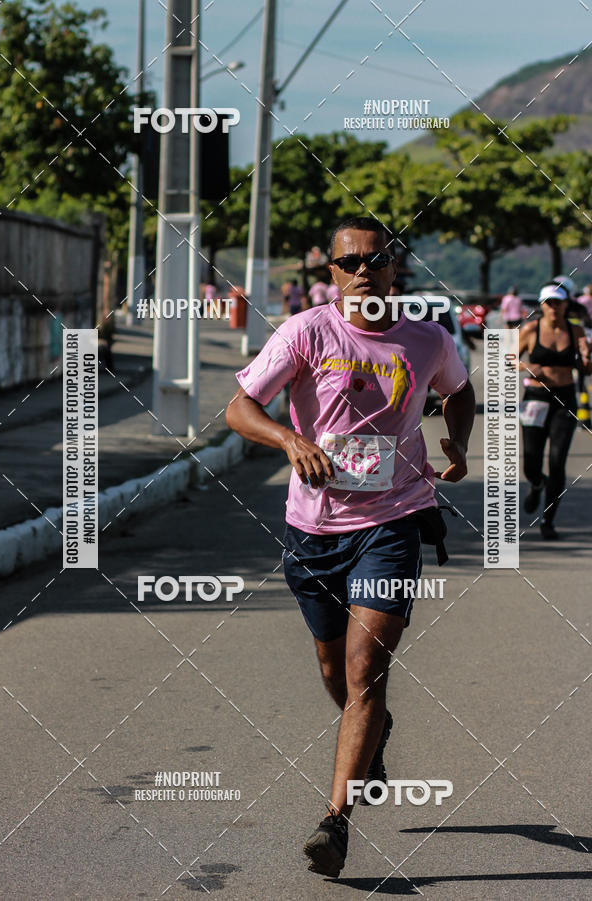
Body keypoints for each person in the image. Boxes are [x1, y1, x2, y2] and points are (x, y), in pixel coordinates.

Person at [225, 216, 475, 878]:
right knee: (335, 671)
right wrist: (288, 440)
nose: (364, 269)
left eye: (376, 258)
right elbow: (240, 407)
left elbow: (460, 391)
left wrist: (458, 443)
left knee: (366, 671)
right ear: (332, 273)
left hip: (393, 522)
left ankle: (334, 822)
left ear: (395, 266)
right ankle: (372, 735)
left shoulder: (427, 340)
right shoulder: (306, 332)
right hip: (313, 532)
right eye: (350, 261)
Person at [518, 282, 592, 539]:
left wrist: (586, 358)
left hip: (564, 398)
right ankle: (537, 483)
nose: (553, 308)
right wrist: (526, 366)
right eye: (548, 303)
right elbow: (507, 358)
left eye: (558, 302)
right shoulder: (530, 330)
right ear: (541, 305)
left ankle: (548, 520)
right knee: (531, 458)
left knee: (557, 461)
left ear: (565, 304)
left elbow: (587, 368)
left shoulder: (576, 330)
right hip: (535, 398)